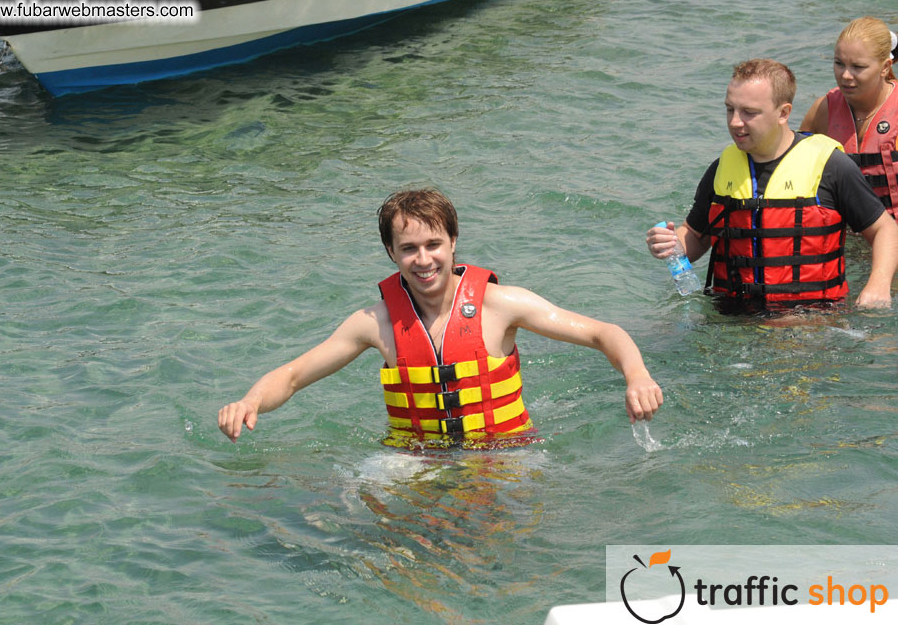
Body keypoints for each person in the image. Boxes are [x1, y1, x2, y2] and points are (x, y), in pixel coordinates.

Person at [219, 188, 664, 448]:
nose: (423, 259)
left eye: (433, 244)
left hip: (504, 453)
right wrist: (251, 402)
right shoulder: (373, 324)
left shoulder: (500, 304)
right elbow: (294, 375)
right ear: (392, 254)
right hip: (413, 458)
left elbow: (603, 333)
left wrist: (637, 375)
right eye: (409, 249)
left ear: (453, 242)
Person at [646, 59, 898, 309]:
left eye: (749, 112)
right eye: (729, 109)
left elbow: (885, 229)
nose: (735, 121)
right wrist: (672, 244)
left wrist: (878, 284)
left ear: (783, 113)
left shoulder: (831, 166)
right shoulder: (722, 168)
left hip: (811, 322)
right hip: (731, 319)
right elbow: (696, 236)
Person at [800, 17, 898, 218]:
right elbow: (796, 173)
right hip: (842, 235)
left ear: (885, 67)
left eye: (858, 67)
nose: (845, 75)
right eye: (839, 63)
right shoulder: (822, 110)